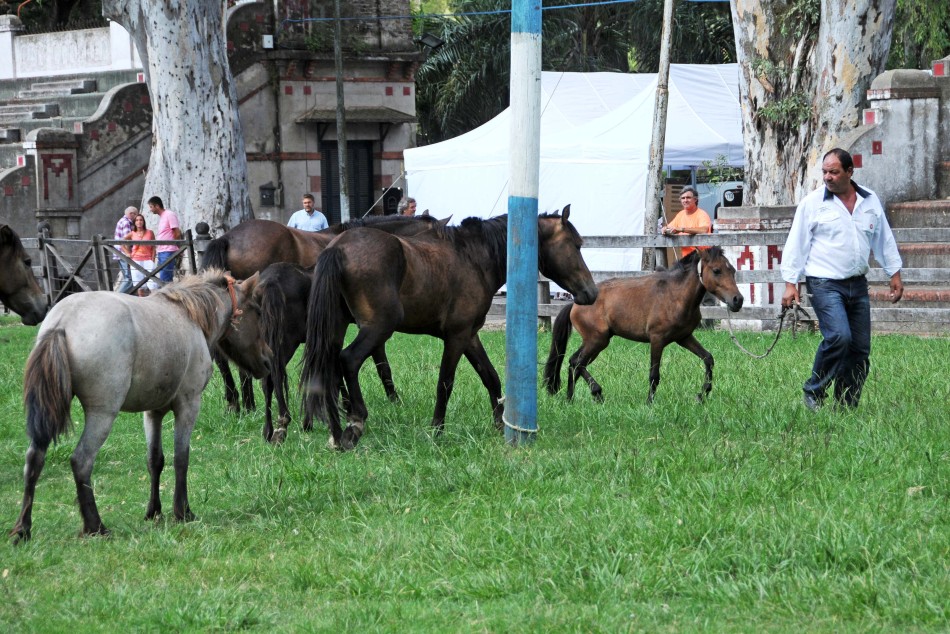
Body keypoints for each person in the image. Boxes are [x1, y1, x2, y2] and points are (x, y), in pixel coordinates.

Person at [781, 148, 903, 411]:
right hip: (824, 282)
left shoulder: (869, 201)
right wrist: (791, 282)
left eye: (834, 172)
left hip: (857, 284)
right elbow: (796, 243)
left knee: (859, 349)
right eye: (825, 172)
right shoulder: (812, 203)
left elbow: (884, 239)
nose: (828, 177)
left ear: (850, 172)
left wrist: (894, 273)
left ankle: (846, 404)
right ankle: (814, 390)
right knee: (839, 337)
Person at [661, 186, 712, 257]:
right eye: (683, 198)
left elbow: (704, 230)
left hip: (703, 257)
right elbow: (670, 227)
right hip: (687, 258)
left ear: (695, 199)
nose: (685, 200)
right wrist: (665, 229)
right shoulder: (680, 214)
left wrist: (682, 229)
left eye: (688, 197)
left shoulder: (702, 214)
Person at [147, 196, 182, 286]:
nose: (150, 210)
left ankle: (164, 297)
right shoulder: (162, 217)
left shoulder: (169, 214)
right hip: (162, 251)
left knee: (165, 278)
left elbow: (177, 232)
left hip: (168, 250)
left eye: (151, 207)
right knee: (164, 278)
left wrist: (178, 248)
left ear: (157, 206)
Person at [123, 214, 159, 297]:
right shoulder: (132, 233)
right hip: (136, 260)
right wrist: (127, 253)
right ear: (134, 223)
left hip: (148, 259)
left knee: (152, 283)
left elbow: (154, 246)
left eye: (141, 220)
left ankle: (154, 300)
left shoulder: (150, 232)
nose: (139, 222)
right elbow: (121, 242)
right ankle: (141, 300)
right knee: (139, 283)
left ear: (143, 221)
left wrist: (152, 258)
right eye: (137, 220)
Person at [113, 205, 137, 293]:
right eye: (136, 215)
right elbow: (126, 241)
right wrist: (128, 254)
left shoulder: (122, 221)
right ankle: (117, 296)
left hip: (119, 253)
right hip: (124, 253)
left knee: (126, 277)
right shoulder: (127, 223)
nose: (136, 218)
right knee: (129, 278)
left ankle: (129, 296)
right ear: (132, 214)